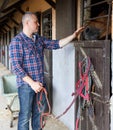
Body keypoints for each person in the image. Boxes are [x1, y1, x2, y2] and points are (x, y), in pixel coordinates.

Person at [9, 12, 84, 130]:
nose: (38, 24)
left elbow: (56, 44)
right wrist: (32, 83)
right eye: (36, 22)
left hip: (39, 85)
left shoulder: (38, 39)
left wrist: (73, 35)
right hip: (26, 86)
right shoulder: (17, 42)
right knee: (25, 116)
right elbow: (16, 67)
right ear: (27, 23)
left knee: (38, 115)